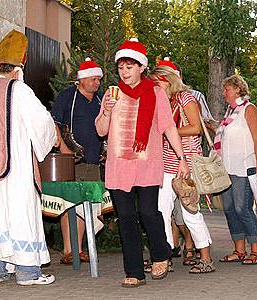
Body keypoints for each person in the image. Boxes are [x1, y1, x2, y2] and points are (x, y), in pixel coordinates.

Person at [95, 38, 190, 287]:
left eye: (129, 67)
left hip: (147, 165)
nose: (124, 72)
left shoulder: (155, 92)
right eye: (121, 68)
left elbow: (168, 127)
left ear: (141, 68)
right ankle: (135, 272)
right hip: (118, 167)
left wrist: (182, 159)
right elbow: (101, 131)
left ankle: (161, 253)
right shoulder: (112, 93)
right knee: (126, 217)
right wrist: (106, 110)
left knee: (148, 212)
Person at [0, 30, 57, 285]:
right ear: (20, 67)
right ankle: (27, 273)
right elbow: (43, 123)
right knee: (20, 215)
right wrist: (49, 141)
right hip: (13, 169)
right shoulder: (17, 89)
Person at [149, 61, 214, 273]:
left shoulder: (186, 97)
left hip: (187, 163)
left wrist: (167, 130)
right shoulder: (162, 101)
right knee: (161, 211)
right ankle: (163, 257)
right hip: (166, 164)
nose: (154, 87)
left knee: (190, 213)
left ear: (168, 81)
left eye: (157, 83)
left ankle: (205, 258)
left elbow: (195, 128)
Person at [207, 75, 257, 265]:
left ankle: (256, 251)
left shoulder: (249, 109)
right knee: (230, 209)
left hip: (244, 168)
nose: (224, 93)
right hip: (227, 169)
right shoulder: (229, 114)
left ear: (238, 89)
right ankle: (239, 250)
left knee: (242, 208)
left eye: (227, 89)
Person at [51, 58, 104, 264]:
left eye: (98, 79)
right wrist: (64, 150)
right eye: (93, 79)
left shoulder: (100, 100)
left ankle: (79, 248)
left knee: (88, 203)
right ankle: (69, 250)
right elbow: (53, 123)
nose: (97, 83)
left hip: (93, 161)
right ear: (81, 80)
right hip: (73, 160)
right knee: (71, 203)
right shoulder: (67, 98)